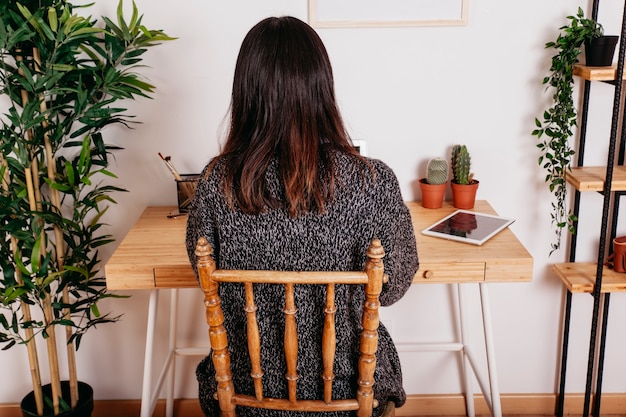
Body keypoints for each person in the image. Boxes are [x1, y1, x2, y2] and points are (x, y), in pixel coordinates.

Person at [186, 16, 419, 417]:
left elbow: (204, 274)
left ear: (247, 92)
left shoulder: (215, 182)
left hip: (245, 397)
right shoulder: (374, 182)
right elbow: (392, 288)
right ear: (321, 87)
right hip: (349, 396)